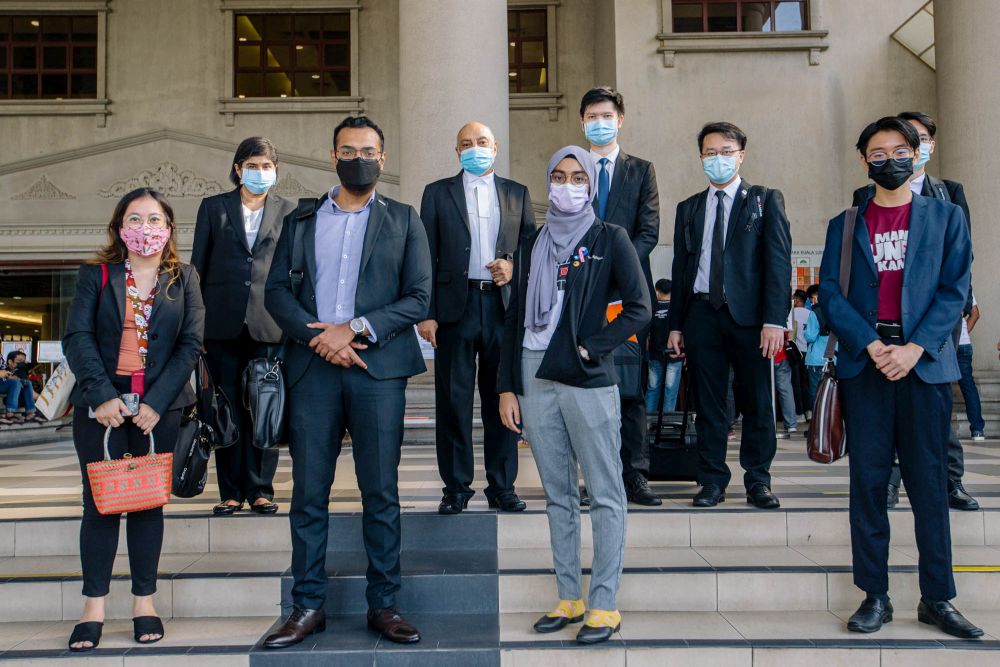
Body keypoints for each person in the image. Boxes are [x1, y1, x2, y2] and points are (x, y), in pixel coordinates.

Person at [262, 116, 431, 649]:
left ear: (383, 158)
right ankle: (307, 605)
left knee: (380, 492)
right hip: (313, 372)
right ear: (332, 155)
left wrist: (354, 329)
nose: (358, 157)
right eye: (348, 149)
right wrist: (322, 340)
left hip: (377, 371)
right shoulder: (301, 218)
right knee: (309, 493)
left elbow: (419, 296)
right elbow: (276, 293)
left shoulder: (404, 219)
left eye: (369, 150)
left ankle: (384, 604)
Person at [821, 116, 980, 639]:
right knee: (868, 486)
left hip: (924, 366)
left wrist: (914, 348)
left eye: (899, 150)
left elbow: (955, 290)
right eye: (877, 152)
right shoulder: (845, 224)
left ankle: (937, 597)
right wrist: (871, 344)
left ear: (916, 153)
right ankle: (876, 595)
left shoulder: (946, 217)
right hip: (867, 365)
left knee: (929, 485)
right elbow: (831, 295)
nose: (889, 159)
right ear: (864, 160)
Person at [498, 146, 650, 644]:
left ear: (590, 185)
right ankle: (569, 595)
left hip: (586, 377)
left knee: (605, 491)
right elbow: (513, 318)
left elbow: (639, 307)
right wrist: (507, 386)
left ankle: (604, 602)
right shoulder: (532, 244)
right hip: (533, 371)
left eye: (577, 177)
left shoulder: (610, 238)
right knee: (558, 494)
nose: (567, 185)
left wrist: (592, 346)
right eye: (559, 176)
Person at [62, 188, 205, 651]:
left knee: (146, 504)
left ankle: (145, 602)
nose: (146, 228)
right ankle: (93, 607)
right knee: (100, 504)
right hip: (101, 410)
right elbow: (77, 336)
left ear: (169, 227)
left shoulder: (184, 277)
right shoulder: (96, 275)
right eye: (135, 218)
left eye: (155, 219)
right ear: (119, 226)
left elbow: (190, 344)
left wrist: (156, 402)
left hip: (157, 411)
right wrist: (101, 395)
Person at [853, 111, 979, 512]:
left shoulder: (948, 194)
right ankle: (890, 482)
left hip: (934, 326)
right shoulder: (863, 199)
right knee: (883, 424)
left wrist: (944, 324)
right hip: (883, 330)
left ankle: (950, 481)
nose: (895, 158)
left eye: (914, 143)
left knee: (939, 413)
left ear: (925, 147)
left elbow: (960, 260)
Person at [667, 122, 792, 509]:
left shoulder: (764, 200)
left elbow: (778, 263)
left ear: (741, 155)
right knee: (708, 404)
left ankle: (758, 480)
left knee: (757, 401)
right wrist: (675, 323)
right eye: (709, 152)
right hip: (703, 314)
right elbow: (681, 269)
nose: (717, 159)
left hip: (752, 320)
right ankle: (711, 481)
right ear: (700, 157)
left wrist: (775, 319)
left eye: (725, 151)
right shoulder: (689, 208)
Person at [418, 122, 537, 515]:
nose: (475, 148)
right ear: (456, 151)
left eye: (482, 142)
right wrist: (428, 314)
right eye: (466, 144)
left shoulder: (516, 192)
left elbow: (532, 250)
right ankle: (456, 487)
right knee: (452, 400)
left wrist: (511, 265)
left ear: (496, 147)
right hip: (456, 308)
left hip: (503, 308)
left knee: (502, 398)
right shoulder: (437, 194)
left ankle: (502, 486)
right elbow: (425, 256)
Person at [191, 137, 297, 516]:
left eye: (267, 166)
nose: (260, 172)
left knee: (265, 406)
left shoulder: (290, 211)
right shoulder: (214, 208)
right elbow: (197, 269)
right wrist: (197, 327)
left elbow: (293, 270)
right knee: (227, 409)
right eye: (253, 165)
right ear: (238, 168)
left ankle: (261, 489)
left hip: (270, 325)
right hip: (221, 325)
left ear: (276, 171)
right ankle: (231, 492)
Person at [579, 86, 661, 506]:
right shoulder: (573, 168)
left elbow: (649, 231)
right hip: (581, 293)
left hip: (627, 297)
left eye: (606, 115)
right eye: (591, 116)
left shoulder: (641, 170)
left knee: (631, 385)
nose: (599, 122)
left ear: (620, 119)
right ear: (582, 122)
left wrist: (618, 269)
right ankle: (592, 477)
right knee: (587, 388)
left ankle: (636, 474)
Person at [646, 279, 682, 414]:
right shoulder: (675, 310)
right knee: (670, 390)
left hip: (655, 354)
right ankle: (667, 423)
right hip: (674, 355)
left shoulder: (652, 309)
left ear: (657, 291)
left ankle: (647, 422)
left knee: (652, 389)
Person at [957, 295, 985, 440]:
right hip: (964, 344)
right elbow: (976, 314)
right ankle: (978, 430)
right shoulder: (965, 287)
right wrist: (963, 333)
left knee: (939, 387)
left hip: (946, 344)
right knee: (968, 386)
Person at [1, 351, 43, 424]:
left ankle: (31, 412)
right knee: (16, 382)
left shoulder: (19, 371)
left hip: (7, 387)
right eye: (19, 361)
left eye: (23, 361)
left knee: (27, 383)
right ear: (10, 361)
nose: (22, 363)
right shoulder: (17, 371)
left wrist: (9, 376)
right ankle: (10, 414)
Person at [803, 285, 827, 408]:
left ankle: (819, 424)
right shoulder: (837, 308)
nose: (811, 302)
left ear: (816, 296)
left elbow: (810, 336)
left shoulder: (815, 312)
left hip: (817, 359)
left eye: (811, 299)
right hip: (835, 357)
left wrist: (804, 331)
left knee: (816, 392)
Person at [773, 331, 798, 439]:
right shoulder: (782, 315)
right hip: (782, 354)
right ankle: (791, 423)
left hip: (765, 355)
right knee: (786, 390)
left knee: (765, 390)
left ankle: (766, 421)